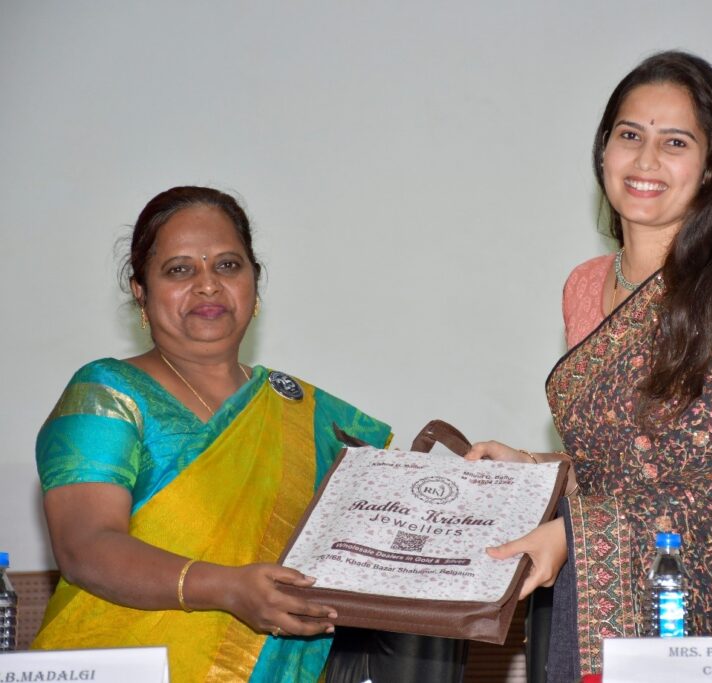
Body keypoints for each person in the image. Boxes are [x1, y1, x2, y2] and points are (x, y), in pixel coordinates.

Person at [466, 51, 712, 681]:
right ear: (603, 151)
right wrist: (538, 470)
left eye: (675, 142)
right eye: (629, 136)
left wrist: (576, 535)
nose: (646, 161)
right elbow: (627, 467)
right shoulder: (585, 285)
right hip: (602, 607)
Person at [32, 186, 465, 682]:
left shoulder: (311, 417)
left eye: (227, 265)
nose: (208, 285)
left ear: (254, 283)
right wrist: (227, 588)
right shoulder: (108, 392)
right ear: (140, 291)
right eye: (179, 270)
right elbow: (85, 547)